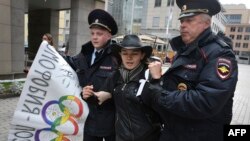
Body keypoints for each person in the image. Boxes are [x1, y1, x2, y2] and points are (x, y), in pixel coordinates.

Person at [140, 0, 238, 141]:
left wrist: (159, 93)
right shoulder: (184, 50)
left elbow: (206, 101)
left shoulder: (220, 54)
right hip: (173, 131)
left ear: (206, 23)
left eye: (189, 20)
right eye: (181, 21)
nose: (182, 25)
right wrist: (157, 81)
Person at [91, 35, 162, 141]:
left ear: (142, 55)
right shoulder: (115, 76)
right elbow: (100, 98)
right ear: (120, 55)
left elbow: (162, 104)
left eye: (134, 53)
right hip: (121, 138)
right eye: (125, 53)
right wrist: (90, 96)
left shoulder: (150, 75)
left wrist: (157, 80)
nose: (129, 57)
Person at [66, 9, 118, 141]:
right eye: (92, 33)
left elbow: (123, 83)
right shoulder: (85, 54)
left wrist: (110, 93)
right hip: (86, 120)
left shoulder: (116, 57)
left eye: (99, 34)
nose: (94, 37)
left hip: (108, 122)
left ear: (109, 35)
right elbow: (67, 63)